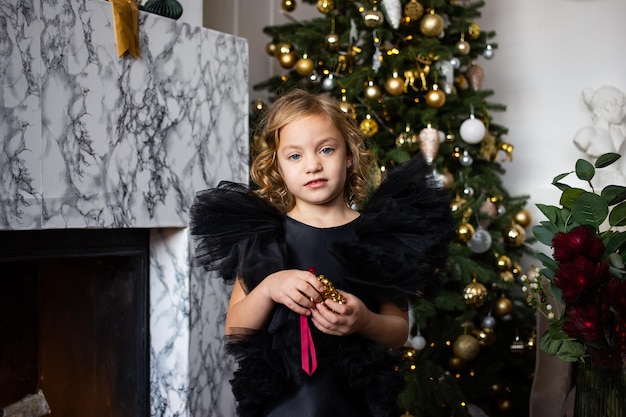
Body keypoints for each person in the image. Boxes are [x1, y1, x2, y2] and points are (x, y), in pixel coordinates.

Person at [190, 89, 453, 417]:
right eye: (295, 156)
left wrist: (364, 320)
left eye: (326, 149)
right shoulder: (266, 237)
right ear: (277, 166)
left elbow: (398, 331)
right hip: (281, 407)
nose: (313, 165)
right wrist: (270, 287)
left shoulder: (378, 236)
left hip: (353, 404)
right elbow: (236, 329)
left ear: (349, 155)